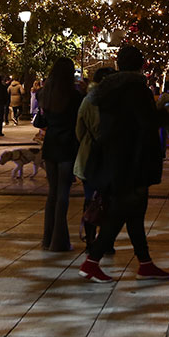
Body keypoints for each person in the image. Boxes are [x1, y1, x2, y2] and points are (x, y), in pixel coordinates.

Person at [77, 46, 169, 283]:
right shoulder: (137, 89)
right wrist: (167, 112)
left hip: (114, 158)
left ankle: (145, 263)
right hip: (134, 159)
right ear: (142, 65)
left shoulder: (107, 90)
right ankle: (92, 262)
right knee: (121, 212)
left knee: (134, 213)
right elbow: (146, 122)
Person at [40, 57, 83, 252]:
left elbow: (42, 122)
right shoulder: (74, 96)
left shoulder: (45, 94)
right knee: (63, 193)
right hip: (67, 145)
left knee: (52, 192)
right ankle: (59, 240)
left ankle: (47, 238)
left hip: (50, 144)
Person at [74, 67, 117, 252]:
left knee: (90, 198)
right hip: (112, 155)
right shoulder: (117, 101)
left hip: (89, 154)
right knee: (109, 200)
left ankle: (91, 240)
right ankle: (106, 241)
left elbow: (79, 129)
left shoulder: (88, 100)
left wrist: (88, 141)